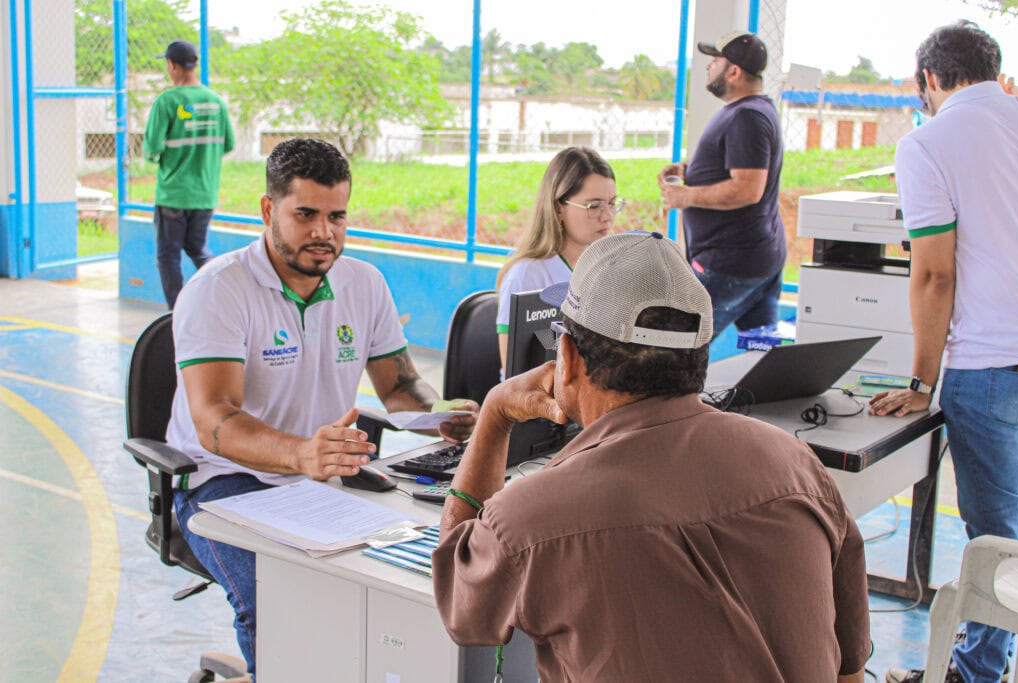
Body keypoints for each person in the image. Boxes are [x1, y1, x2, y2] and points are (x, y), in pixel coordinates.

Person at [433, 231, 871, 682]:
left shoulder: (531, 517)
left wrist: (495, 415)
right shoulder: (797, 464)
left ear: (569, 356)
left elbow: (461, 605)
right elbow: (849, 667)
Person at [166, 138, 478, 678]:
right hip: (222, 481)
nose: (324, 233)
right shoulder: (218, 290)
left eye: (337, 216)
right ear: (268, 210)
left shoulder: (363, 283)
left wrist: (442, 414)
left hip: (323, 478)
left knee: (409, 570)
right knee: (276, 599)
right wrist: (302, 455)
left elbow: (401, 387)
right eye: (305, 215)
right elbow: (215, 421)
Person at [868, 21, 1018, 683]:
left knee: (998, 541)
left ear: (929, 79)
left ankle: (976, 673)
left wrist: (918, 384)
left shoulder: (928, 142)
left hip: (989, 365)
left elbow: (935, 273)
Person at [658, 30, 786, 341]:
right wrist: (691, 171)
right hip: (753, 258)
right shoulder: (752, 111)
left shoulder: (748, 117)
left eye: (715, 60)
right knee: (759, 351)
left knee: (677, 348)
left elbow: (747, 189)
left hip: (729, 263)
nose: (708, 66)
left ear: (734, 72)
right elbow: (740, 167)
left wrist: (686, 196)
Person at [495, 146, 622, 373]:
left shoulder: (609, 267)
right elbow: (516, 374)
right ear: (558, 207)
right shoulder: (528, 275)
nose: (607, 216)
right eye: (594, 206)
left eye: (611, 203)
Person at [143, 39, 235, 309]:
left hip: (173, 194)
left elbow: (151, 149)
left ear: (172, 66)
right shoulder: (216, 102)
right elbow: (228, 144)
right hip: (205, 194)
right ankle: (225, 299)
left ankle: (178, 311)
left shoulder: (167, 102)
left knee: (168, 256)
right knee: (198, 249)